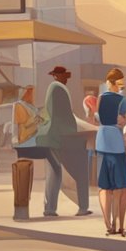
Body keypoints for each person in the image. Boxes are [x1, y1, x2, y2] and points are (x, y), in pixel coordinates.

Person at [40, 65, 91, 217]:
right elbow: (66, 117)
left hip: (53, 137)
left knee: (54, 173)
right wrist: (81, 128)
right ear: (57, 76)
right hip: (64, 137)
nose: (66, 79)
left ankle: (49, 208)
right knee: (80, 172)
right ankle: (83, 206)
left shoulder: (52, 90)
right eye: (64, 77)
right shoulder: (58, 89)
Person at [11, 86, 57, 220]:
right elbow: (22, 125)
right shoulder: (19, 106)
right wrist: (35, 121)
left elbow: (39, 120)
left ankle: (45, 205)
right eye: (31, 93)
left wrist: (42, 119)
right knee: (51, 157)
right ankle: (47, 205)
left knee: (50, 158)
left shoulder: (30, 106)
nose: (33, 96)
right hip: (25, 142)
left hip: (33, 140)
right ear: (25, 93)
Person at [95, 68, 126, 235]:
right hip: (116, 143)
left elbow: (99, 117)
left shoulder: (101, 98)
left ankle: (108, 224)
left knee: (104, 186)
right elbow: (122, 121)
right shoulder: (122, 100)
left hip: (101, 141)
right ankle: (119, 224)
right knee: (120, 186)